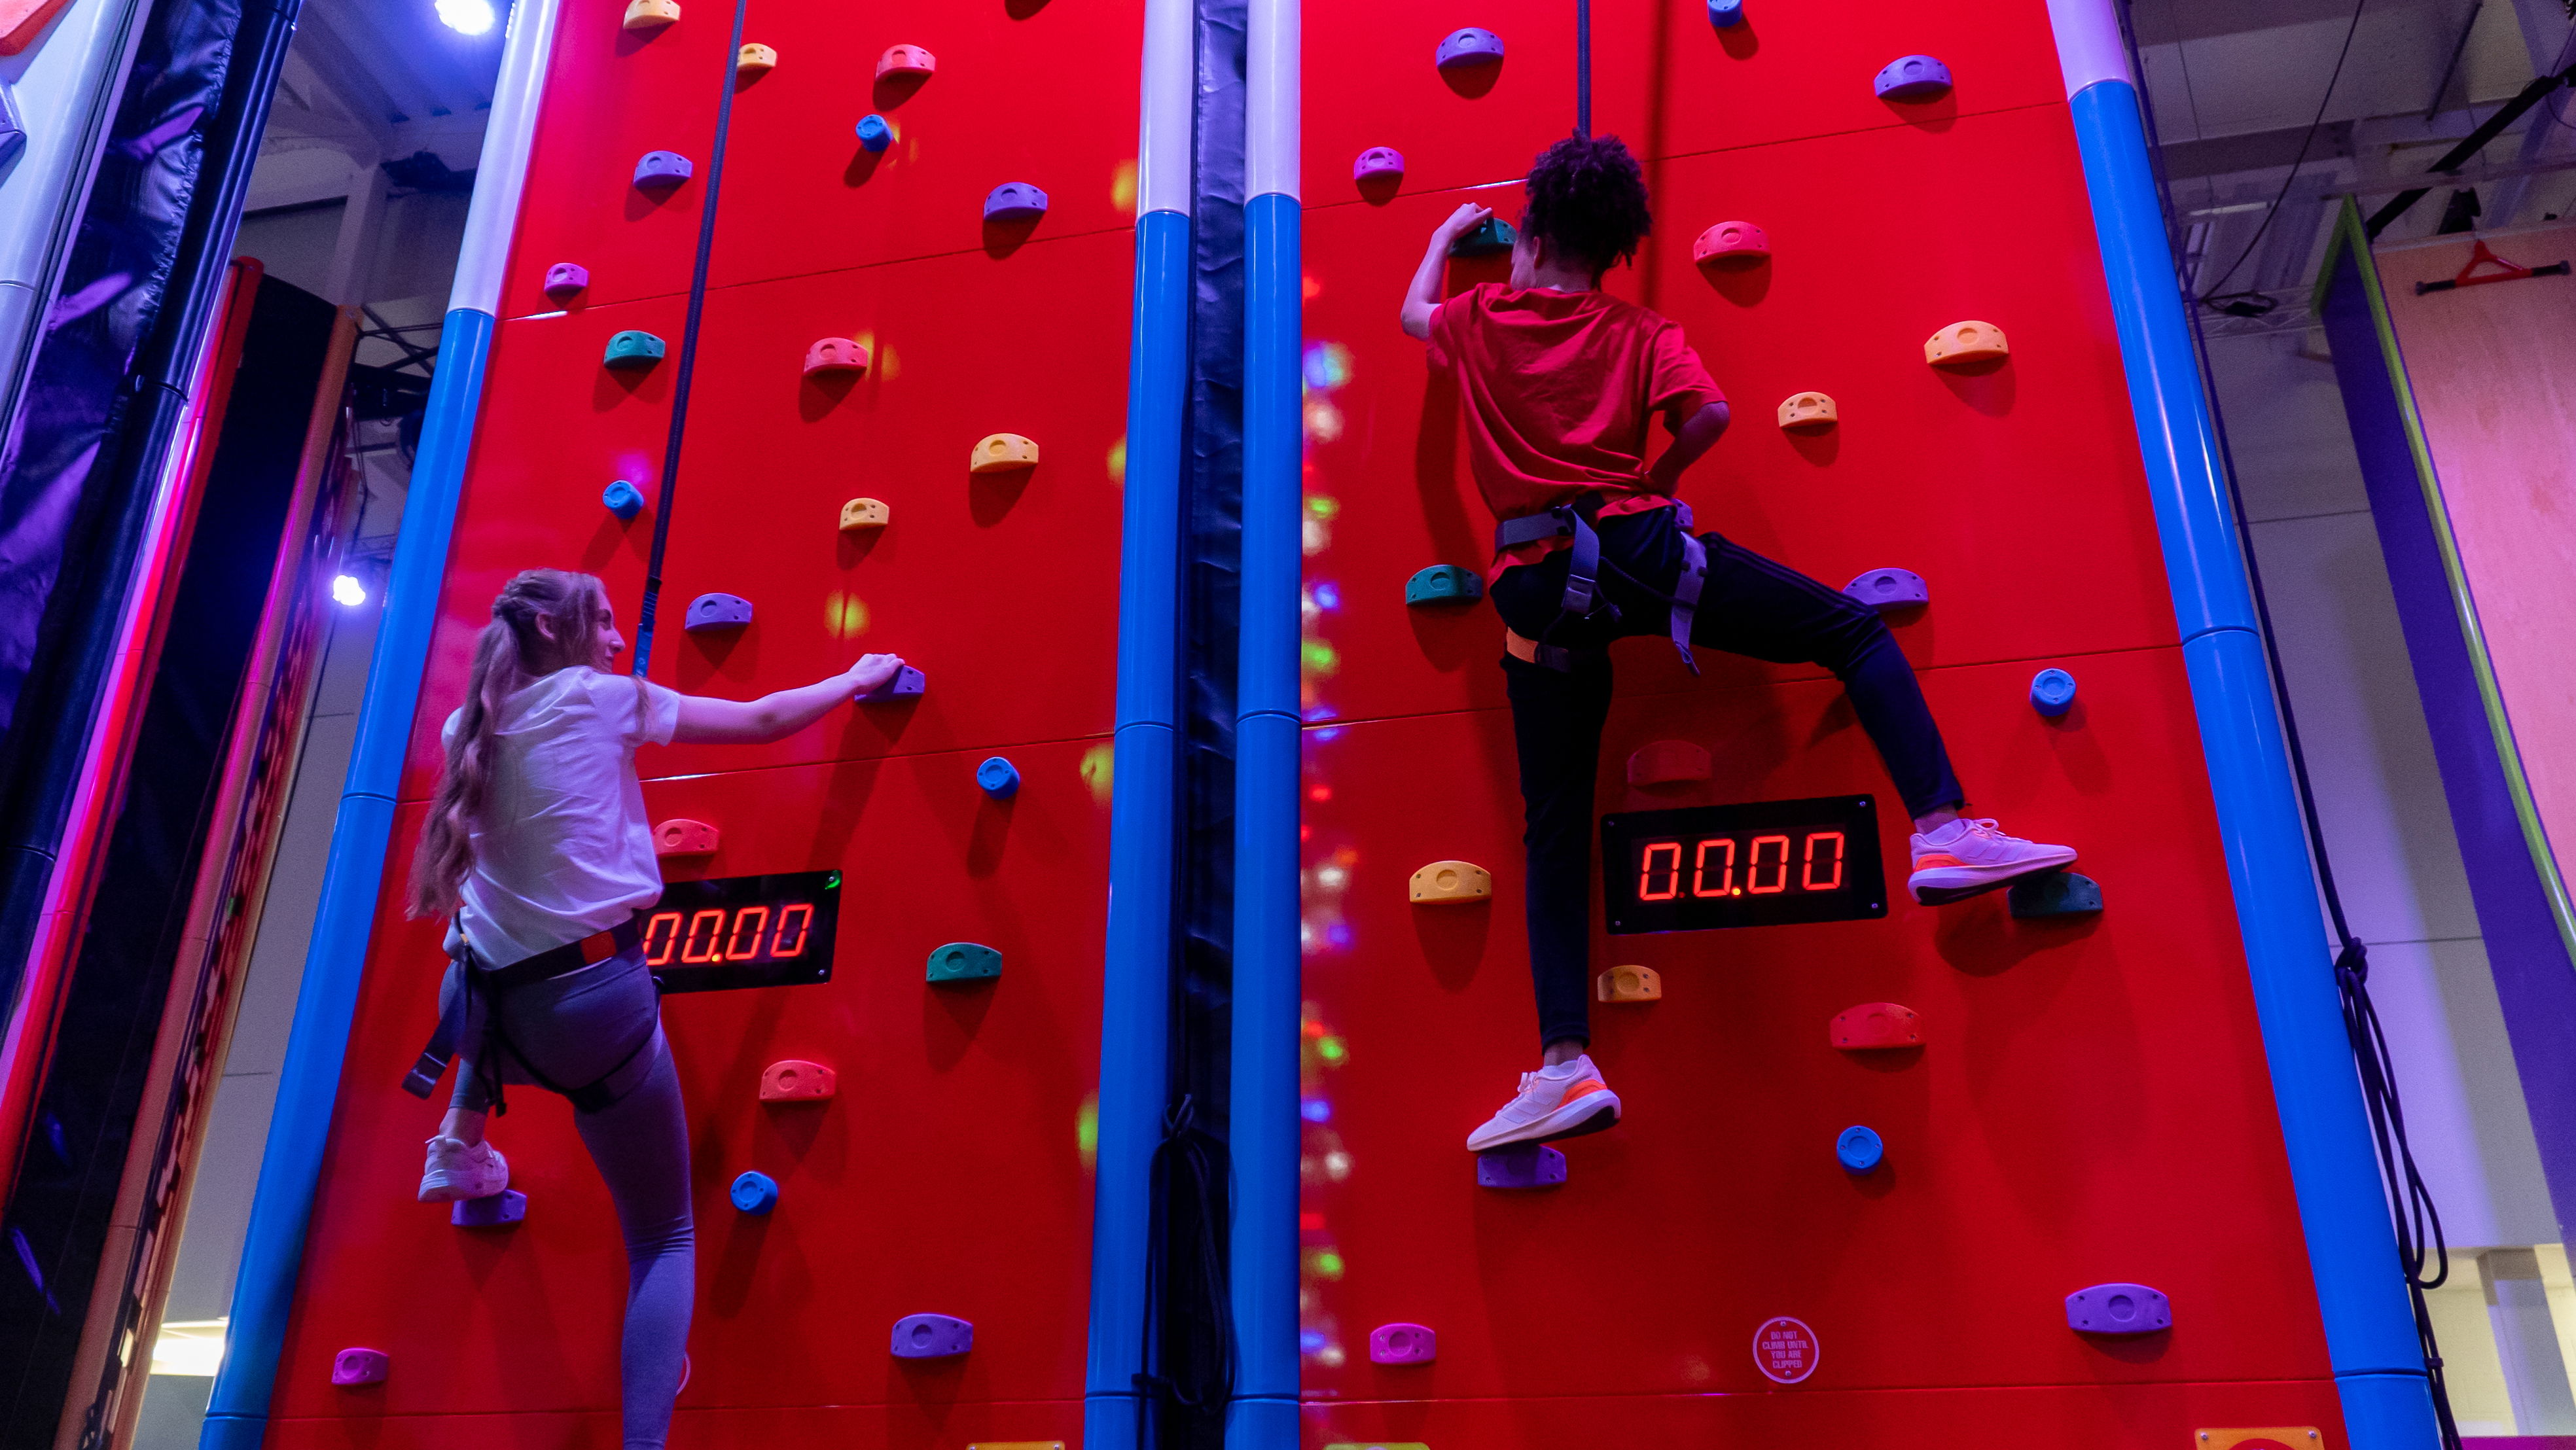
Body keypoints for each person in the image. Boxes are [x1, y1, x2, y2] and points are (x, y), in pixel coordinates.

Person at [1399, 135, 2077, 1155]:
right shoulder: (1641, 329)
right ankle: (1940, 830)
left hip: (1535, 585)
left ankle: (1562, 1063)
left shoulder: (1480, 314)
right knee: (1850, 629)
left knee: (1553, 829)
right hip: (1638, 549)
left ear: (1530, 239)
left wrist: (1449, 236)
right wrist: (1653, 477)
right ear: (1616, 249)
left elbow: (1412, 317)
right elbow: (1710, 412)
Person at [404, 568, 903, 1450]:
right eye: (603, 623)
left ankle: (464, 1138)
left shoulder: (466, 722)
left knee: (482, 961)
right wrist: (854, 678)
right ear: (557, 627)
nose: (616, 642)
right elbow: (760, 720)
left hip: (481, 1011)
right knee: (665, 1238)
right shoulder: (602, 700)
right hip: (590, 1007)